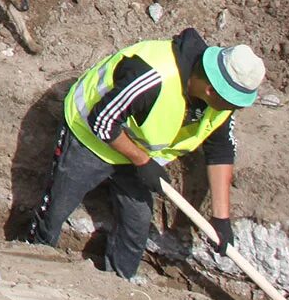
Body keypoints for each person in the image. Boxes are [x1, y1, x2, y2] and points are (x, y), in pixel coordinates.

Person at [26, 29, 264, 280]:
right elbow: (102, 121)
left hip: (137, 153)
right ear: (211, 91)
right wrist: (142, 161)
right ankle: (32, 263)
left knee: (137, 221)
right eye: (232, 103)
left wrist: (221, 218)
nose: (233, 110)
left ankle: (117, 284)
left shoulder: (220, 102)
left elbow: (220, 150)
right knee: (56, 208)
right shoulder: (153, 76)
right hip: (90, 139)